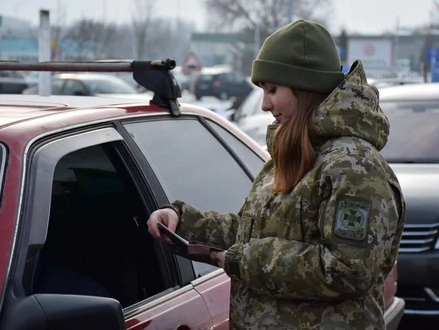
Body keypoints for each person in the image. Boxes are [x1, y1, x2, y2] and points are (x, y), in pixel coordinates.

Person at [147, 19, 405, 330]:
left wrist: (244, 260)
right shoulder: (289, 156)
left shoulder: (354, 168)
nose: (266, 104)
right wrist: (184, 224)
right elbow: (249, 235)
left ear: (304, 88)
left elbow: (347, 269)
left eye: (273, 89)